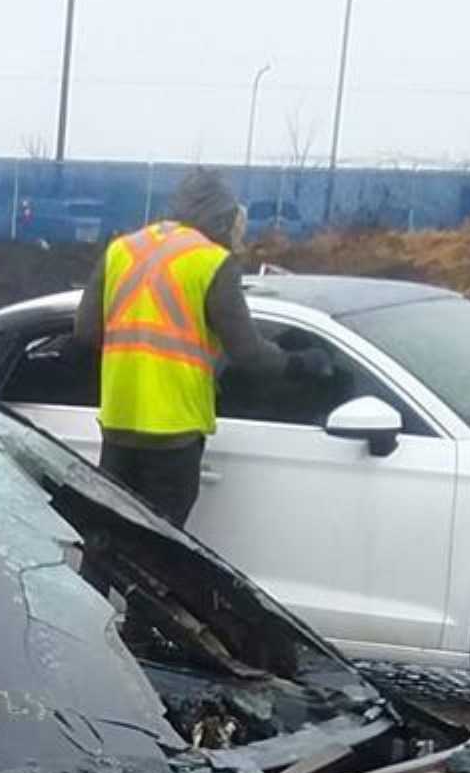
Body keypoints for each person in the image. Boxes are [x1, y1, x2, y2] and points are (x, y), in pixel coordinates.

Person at [70, 166, 303, 527]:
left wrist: (133, 352)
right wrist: (301, 364)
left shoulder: (122, 249)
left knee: (107, 542)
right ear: (223, 217)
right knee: (163, 552)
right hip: (173, 434)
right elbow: (249, 353)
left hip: (118, 423)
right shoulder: (211, 261)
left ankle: (91, 585)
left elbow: (86, 332)